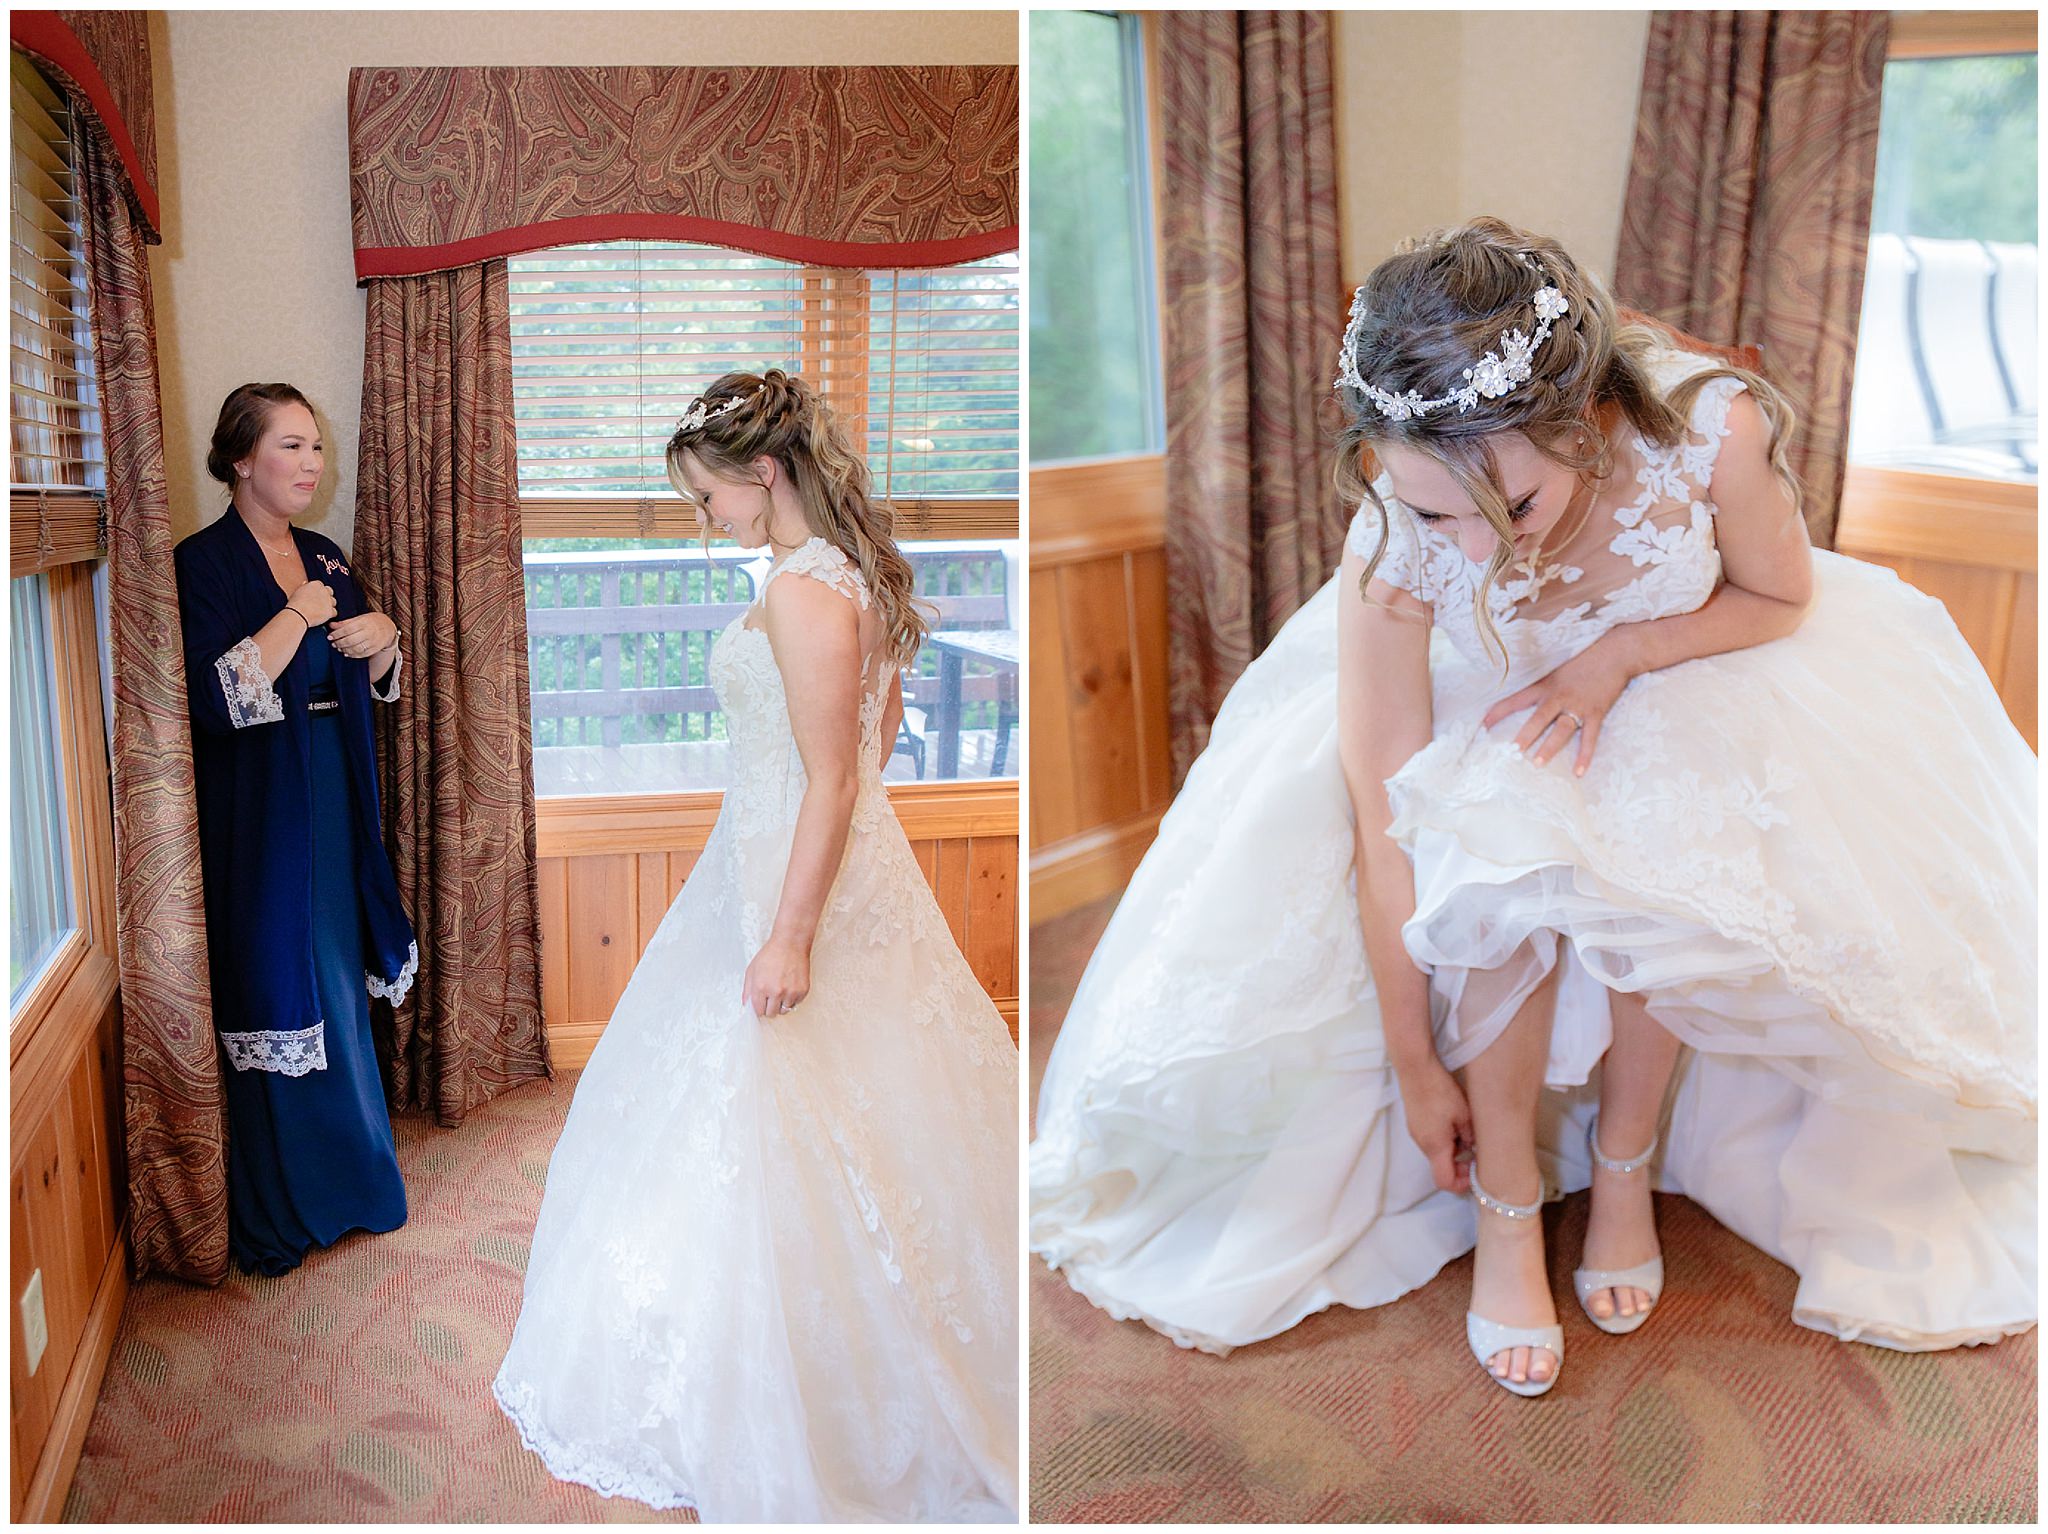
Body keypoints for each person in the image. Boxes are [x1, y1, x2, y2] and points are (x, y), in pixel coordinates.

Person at [1030, 218, 2035, 1396]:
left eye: (1502, 499)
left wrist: (1618, 656)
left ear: (1577, 428)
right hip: (1480, 705)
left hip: (1675, 675)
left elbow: (1775, 595)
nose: (1470, 542)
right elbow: (1385, 806)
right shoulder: (1400, 541)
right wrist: (1413, 1056)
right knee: (1493, 868)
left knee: (1657, 838)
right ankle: (1507, 1209)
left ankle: (1621, 1168)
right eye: (1431, 510)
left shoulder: (1713, 428)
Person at [493, 370, 1019, 1519]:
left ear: (763, 474)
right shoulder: (834, 576)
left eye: (706, 496)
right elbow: (870, 744)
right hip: (781, 851)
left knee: (801, 1099)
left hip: (795, 876)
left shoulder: (804, 593)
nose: (704, 518)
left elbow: (837, 772)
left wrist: (790, 934)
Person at [175, 382, 415, 1276]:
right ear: (240, 459)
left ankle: (357, 1182)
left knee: (336, 982)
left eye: (316, 447)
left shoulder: (326, 554)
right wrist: (299, 615)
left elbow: (364, 668)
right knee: (279, 979)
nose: (312, 465)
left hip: (332, 786)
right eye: (290, 447)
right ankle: (286, 1204)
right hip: (261, 805)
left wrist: (383, 636)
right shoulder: (202, 565)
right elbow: (218, 696)